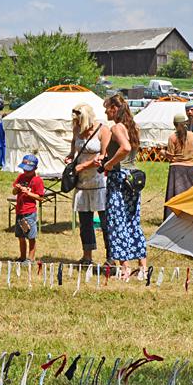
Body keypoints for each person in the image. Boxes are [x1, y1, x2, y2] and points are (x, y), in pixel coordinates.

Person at [101, 94, 147, 275]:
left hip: (118, 178)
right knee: (132, 221)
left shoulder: (117, 127)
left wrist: (109, 164)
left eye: (107, 107)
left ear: (114, 108)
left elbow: (125, 148)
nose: (105, 111)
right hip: (133, 178)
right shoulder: (134, 127)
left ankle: (124, 268)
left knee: (116, 222)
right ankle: (142, 267)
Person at [64, 103, 110, 264]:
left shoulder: (103, 130)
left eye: (78, 119)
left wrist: (83, 165)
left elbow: (104, 157)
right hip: (81, 181)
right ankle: (87, 256)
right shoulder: (77, 129)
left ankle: (110, 258)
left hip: (99, 181)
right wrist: (70, 157)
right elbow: (74, 148)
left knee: (105, 223)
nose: (76, 122)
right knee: (85, 223)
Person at [163, 112, 193, 220]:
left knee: (174, 194)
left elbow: (170, 155)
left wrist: (162, 153)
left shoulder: (172, 137)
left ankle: (171, 217)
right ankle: (189, 216)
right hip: (191, 167)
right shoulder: (192, 135)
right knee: (189, 192)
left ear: (174, 124)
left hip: (177, 168)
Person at [12, 154, 44, 263]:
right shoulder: (21, 177)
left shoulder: (37, 180)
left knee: (30, 236)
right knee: (20, 236)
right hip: (19, 211)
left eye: (28, 170)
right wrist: (17, 189)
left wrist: (28, 193)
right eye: (24, 170)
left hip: (29, 212)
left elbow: (40, 198)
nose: (26, 172)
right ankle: (22, 257)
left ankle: (30, 258)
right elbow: (13, 192)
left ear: (35, 168)